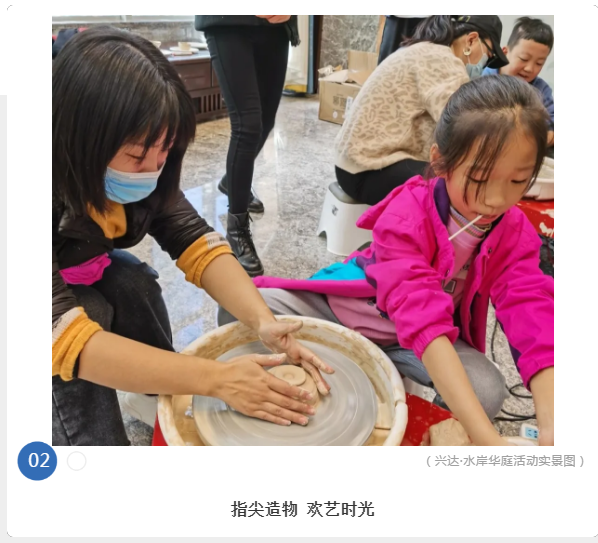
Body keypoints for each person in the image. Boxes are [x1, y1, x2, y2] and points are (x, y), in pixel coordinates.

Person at [221, 76, 555, 446]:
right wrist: (489, 441)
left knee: (487, 389)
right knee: (244, 304)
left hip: (410, 343)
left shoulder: (514, 231)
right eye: (479, 178)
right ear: (440, 162)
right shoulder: (406, 213)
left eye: (518, 181)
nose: (496, 200)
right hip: (345, 314)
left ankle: (415, 414)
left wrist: (553, 422)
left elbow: (532, 311)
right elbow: (420, 312)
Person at [52, 27, 333, 446]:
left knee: (135, 284)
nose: (154, 167)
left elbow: (196, 242)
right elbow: (60, 333)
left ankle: (155, 396)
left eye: (165, 149)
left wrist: (263, 320)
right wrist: (215, 379)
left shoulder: (151, 171)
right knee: (89, 313)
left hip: (78, 261)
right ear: (80, 141)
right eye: (137, 154)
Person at [334, 15, 508, 206]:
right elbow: (463, 126)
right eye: (488, 55)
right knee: (462, 185)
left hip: (354, 164)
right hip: (369, 170)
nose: (484, 65)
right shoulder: (443, 60)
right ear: (471, 40)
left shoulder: (425, 50)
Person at [195, 15, 300, 277]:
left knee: (266, 121)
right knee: (247, 126)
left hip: (276, 26)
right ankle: (237, 227)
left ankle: (231, 182)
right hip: (228, 22)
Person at [483, 17, 554, 158]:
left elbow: (552, 122)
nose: (529, 68)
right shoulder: (482, 80)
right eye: (524, 59)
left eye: (539, 63)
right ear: (505, 52)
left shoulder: (541, 89)